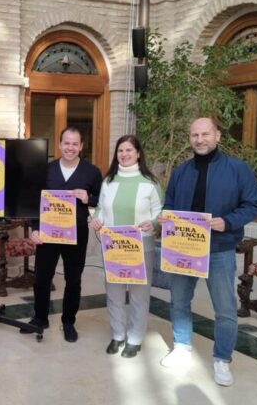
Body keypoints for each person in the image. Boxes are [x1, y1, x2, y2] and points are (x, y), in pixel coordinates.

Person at [158, 117, 257, 386]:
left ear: (217, 136)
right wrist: (165, 216)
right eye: (195, 135)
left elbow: (253, 204)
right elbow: (169, 203)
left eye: (205, 134)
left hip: (219, 248)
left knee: (225, 308)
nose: (200, 140)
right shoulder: (181, 171)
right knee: (179, 301)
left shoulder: (238, 169)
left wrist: (228, 221)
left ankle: (222, 359)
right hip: (182, 247)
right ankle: (182, 347)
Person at [21, 126, 103, 342]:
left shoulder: (92, 172)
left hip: (77, 234)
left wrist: (88, 198)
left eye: (75, 144)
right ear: (59, 144)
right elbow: (34, 202)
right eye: (67, 143)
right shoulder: (46, 170)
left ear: (81, 146)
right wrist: (35, 228)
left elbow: (101, 200)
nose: (70, 148)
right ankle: (40, 318)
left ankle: (68, 322)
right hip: (48, 234)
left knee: (73, 280)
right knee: (41, 278)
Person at [90, 135, 162, 358]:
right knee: (114, 293)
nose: (124, 154)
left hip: (141, 246)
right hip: (113, 247)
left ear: (138, 153)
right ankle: (118, 334)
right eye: (120, 150)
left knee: (139, 295)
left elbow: (161, 213)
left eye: (129, 150)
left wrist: (154, 223)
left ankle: (135, 338)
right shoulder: (108, 182)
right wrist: (97, 220)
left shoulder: (150, 183)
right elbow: (100, 208)